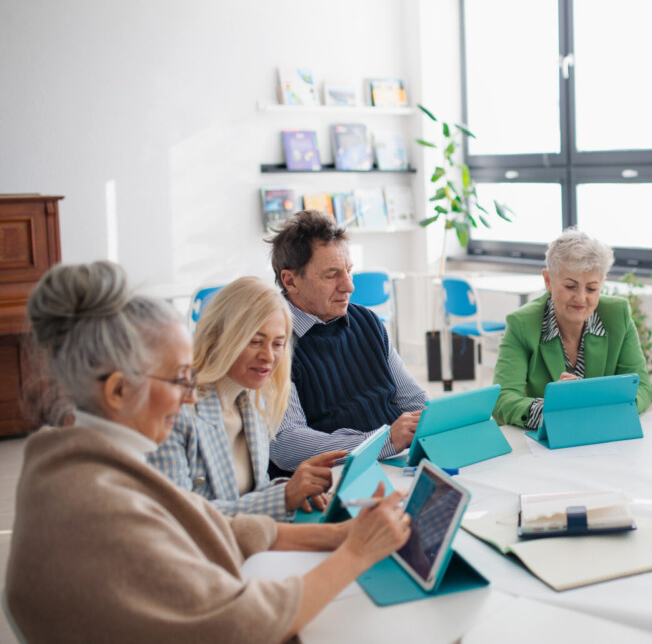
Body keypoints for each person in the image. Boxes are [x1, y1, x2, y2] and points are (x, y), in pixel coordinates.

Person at [6, 261, 412, 643]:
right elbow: (245, 622)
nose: (188, 398)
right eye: (180, 379)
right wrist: (358, 552)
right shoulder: (101, 503)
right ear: (118, 391)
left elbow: (197, 524)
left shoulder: (71, 462)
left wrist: (338, 535)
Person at [148, 277, 343, 520]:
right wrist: (282, 498)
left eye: (278, 343)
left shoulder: (253, 401)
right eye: (255, 341)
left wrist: (290, 489)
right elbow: (181, 520)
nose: (268, 357)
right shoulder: (175, 412)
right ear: (221, 337)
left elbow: (249, 494)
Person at [266, 211, 427, 472]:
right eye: (331, 275)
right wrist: (381, 442)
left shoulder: (367, 321)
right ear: (290, 280)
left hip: (392, 465)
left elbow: (415, 402)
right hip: (333, 479)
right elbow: (287, 444)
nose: (349, 286)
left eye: (349, 271)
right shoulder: (273, 341)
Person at [492, 228, 652, 428]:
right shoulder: (522, 324)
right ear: (548, 280)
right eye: (570, 286)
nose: (581, 298)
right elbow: (502, 401)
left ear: (601, 285)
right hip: (546, 443)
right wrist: (552, 407)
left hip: (604, 437)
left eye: (591, 288)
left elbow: (642, 388)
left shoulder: (617, 315)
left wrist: (598, 405)